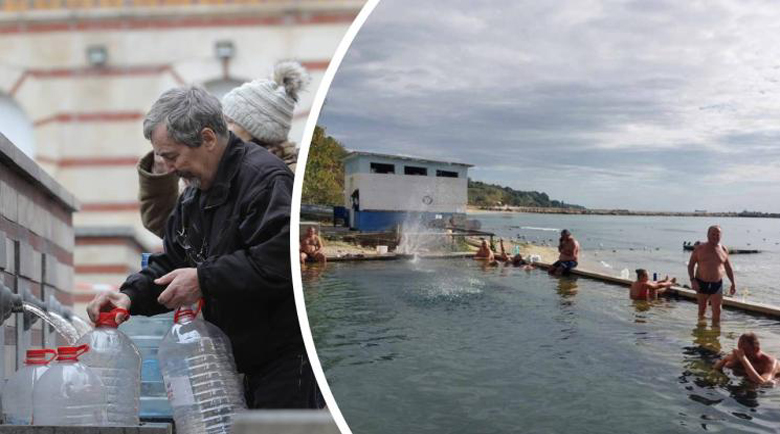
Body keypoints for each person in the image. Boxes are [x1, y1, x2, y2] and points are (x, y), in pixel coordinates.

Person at [87, 86, 321, 409]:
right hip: (235, 363)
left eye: (172, 156)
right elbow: (170, 261)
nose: (168, 168)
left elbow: (278, 264)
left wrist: (202, 279)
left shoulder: (266, 181)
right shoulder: (193, 197)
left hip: (286, 361)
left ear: (208, 139)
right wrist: (128, 295)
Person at [137, 61, 307, 238]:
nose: (221, 127)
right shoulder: (210, 170)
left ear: (258, 130)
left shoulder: (282, 178)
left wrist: (204, 268)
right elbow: (171, 229)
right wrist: (161, 170)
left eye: (230, 121)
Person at [688, 225, 736, 325]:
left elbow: (728, 267)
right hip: (701, 282)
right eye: (713, 234)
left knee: (717, 311)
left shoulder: (723, 249)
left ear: (721, 235)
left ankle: (715, 338)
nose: (715, 236)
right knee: (702, 310)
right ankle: (701, 336)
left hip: (717, 284)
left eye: (718, 234)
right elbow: (691, 265)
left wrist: (733, 283)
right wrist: (692, 280)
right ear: (708, 235)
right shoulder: (700, 248)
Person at [714, 333, 779, 385]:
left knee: (771, 384)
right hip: (746, 379)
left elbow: (763, 382)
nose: (742, 352)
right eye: (740, 349)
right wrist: (726, 359)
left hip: (768, 386)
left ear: (756, 349)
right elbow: (717, 368)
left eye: (745, 349)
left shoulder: (770, 362)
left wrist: (744, 359)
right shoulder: (740, 354)